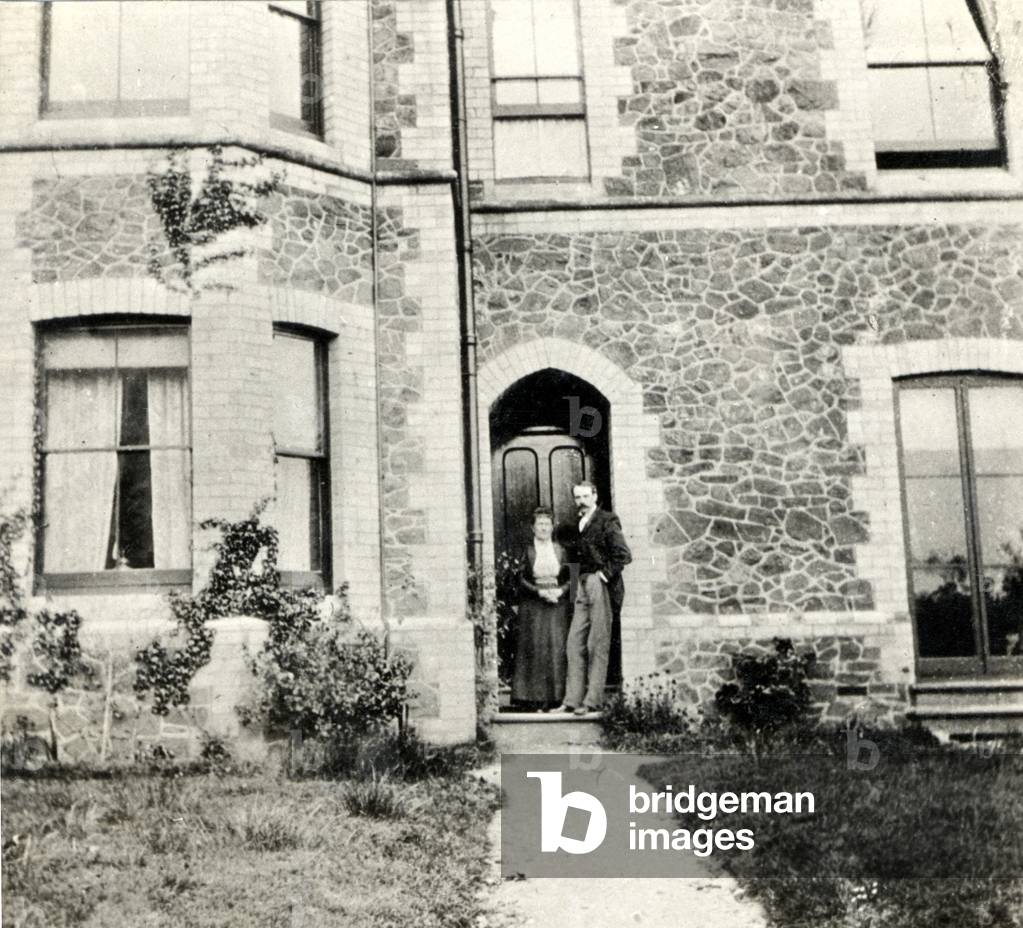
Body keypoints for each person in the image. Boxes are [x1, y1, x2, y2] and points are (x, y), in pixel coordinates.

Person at [560, 481, 632, 715]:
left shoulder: (607, 520)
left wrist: (603, 576)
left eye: (584, 496)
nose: (580, 501)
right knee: (574, 643)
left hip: (600, 585)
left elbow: (623, 555)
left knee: (596, 644)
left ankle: (592, 702)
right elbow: (572, 561)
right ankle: (572, 701)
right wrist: (572, 595)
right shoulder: (576, 525)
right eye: (577, 497)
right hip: (581, 586)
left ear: (595, 495)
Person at [511, 507, 572, 711]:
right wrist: (538, 592)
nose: (544, 528)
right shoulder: (527, 550)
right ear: (533, 528)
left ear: (552, 527)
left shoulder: (561, 550)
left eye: (547, 524)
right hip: (533, 605)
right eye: (540, 524)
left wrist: (561, 592)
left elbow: (573, 577)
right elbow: (518, 578)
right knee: (536, 649)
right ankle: (534, 700)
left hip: (557, 605)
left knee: (556, 649)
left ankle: (557, 699)